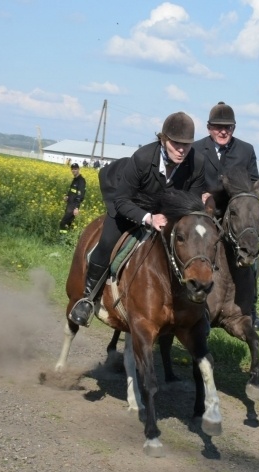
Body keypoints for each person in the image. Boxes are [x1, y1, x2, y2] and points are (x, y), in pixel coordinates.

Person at [68, 111, 206, 327]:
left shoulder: (196, 162)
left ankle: (195, 309)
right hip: (129, 207)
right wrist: (148, 218)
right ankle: (87, 298)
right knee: (105, 244)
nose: (181, 150)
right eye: (176, 144)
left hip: (167, 214)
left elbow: (193, 201)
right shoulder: (143, 158)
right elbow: (122, 200)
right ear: (163, 139)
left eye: (186, 145)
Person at [192, 101, 259, 330]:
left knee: (254, 254)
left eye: (228, 127)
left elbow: (253, 184)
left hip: (235, 218)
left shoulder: (246, 150)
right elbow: (188, 181)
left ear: (234, 128)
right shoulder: (195, 149)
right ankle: (190, 298)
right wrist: (200, 196)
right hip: (205, 213)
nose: (223, 131)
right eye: (217, 127)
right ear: (208, 127)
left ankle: (250, 306)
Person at [58, 162, 86, 243]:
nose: (74, 170)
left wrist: (76, 208)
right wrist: (67, 196)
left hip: (73, 206)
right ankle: (70, 241)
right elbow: (72, 191)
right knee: (69, 224)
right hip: (69, 205)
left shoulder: (81, 181)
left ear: (78, 169)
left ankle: (62, 241)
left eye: (75, 169)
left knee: (63, 223)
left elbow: (80, 195)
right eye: (72, 169)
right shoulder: (74, 180)